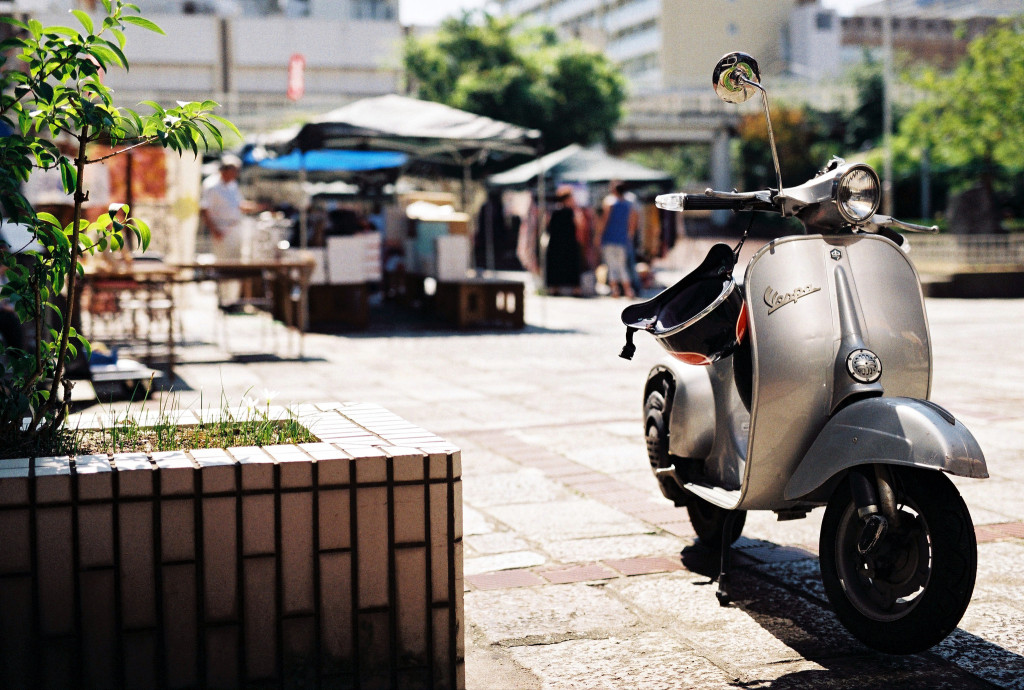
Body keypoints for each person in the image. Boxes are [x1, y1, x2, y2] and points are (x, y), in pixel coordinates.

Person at [200, 154, 253, 306]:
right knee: (224, 265)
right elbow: (205, 209)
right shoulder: (211, 185)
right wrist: (214, 230)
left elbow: (238, 205)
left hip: (235, 227)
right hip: (221, 229)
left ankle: (233, 300)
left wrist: (259, 206)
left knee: (236, 265)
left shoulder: (233, 185)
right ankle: (224, 301)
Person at [595, 181, 637, 298]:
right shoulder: (629, 205)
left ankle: (615, 290)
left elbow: (604, 221)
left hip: (609, 238)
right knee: (622, 265)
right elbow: (632, 223)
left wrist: (599, 235)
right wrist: (629, 236)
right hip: (622, 239)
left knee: (612, 265)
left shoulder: (610, 204)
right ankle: (628, 291)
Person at [544, 185, 582, 295]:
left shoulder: (553, 211)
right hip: (569, 243)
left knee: (557, 265)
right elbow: (580, 225)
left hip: (557, 243)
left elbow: (547, 225)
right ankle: (575, 290)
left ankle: (555, 288)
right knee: (571, 266)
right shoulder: (572, 212)